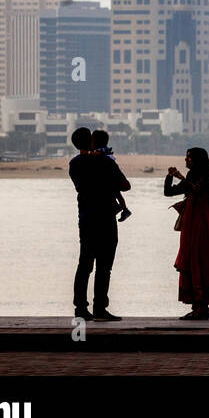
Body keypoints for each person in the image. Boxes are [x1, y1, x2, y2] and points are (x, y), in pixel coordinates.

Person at [69, 127, 130, 321]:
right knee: (104, 266)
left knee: (84, 264)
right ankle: (100, 308)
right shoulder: (105, 162)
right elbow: (125, 185)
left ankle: (80, 309)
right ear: (92, 141)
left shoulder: (74, 164)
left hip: (86, 218)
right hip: (105, 218)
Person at [164, 147, 209, 320]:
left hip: (201, 229)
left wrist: (181, 178)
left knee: (198, 260)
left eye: (189, 158)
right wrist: (170, 177)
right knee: (194, 261)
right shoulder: (194, 177)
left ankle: (201, 308)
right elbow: (168, 192)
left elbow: (198, 190)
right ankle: (199, 307)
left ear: (196, 160)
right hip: (193, 227)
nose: (185, 161)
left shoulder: (204, 177)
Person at [92, 129, 131, 222]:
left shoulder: (98, 152)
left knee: (116, 192)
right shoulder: (103, 151)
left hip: (109, 178)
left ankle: (123, 209)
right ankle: (124, 209)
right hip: (112, 178)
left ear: (94, 141)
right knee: (117, 193)